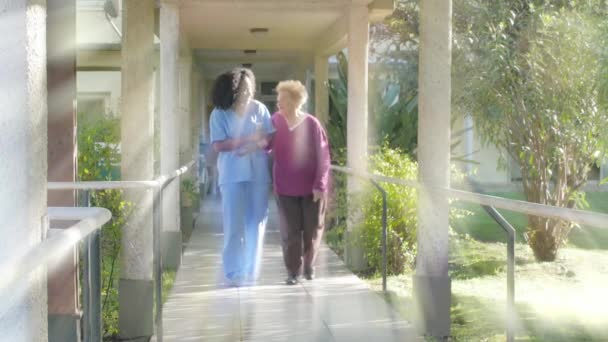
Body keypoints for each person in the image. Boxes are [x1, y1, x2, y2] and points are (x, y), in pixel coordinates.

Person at [209, 68, 274, 286]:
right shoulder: (219, 113)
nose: (248, 93)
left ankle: (251, 270)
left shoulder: (260, 109)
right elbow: (218, 144)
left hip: (258, 175)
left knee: (256, 225)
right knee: (234, 226)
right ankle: (233, 272)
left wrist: (254, 145)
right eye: (243, 89)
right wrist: (248, 139)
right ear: (232, 90)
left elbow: (268, 139)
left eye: (250, 89)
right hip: (232, 177)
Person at [270, 80, 330, 285]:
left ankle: (309, 266)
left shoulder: (312, 123)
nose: (279, 105)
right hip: (284, 187)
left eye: (283, 101)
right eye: (278, 101)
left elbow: (323, 156)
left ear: (296, 102)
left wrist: (320, 185)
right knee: (290, 232)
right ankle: (293, 272)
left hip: (311, 189)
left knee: (312, 229)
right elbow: (265, 145)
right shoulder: (275, 121)